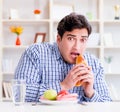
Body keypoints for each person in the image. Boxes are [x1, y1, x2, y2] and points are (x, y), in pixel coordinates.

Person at [14, 12, 112, 102]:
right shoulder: (36, 53)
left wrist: (90, 92)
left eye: (83, 40)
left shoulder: (94, 64)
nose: (77, 47)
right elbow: (20, 93)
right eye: (71, 38)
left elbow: (107, 104)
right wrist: (63, 85)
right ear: (58, 39)